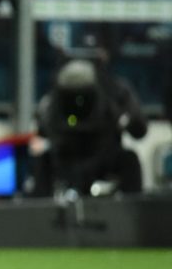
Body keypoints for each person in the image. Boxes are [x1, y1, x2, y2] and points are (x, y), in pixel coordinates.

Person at [33, 58, 148, 196]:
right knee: (42, 161)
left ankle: (134, 213)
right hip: (66, 158)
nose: (77, 103)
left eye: (82, 96)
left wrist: (126, 118)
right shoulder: (51, 104)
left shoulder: (114, 95)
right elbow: (42, 131)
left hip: (104, 156)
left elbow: (140, 130)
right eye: (70, 97)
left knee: (130, 160)